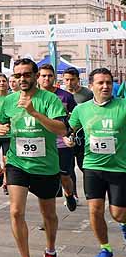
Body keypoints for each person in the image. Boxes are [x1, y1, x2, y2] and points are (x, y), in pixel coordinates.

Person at [0, 58, 69, 257]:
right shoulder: (9, 101)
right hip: (17, 163)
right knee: (15, 211)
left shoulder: (50, 99)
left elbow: (62, 129)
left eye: (26, 74)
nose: (22, 79)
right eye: (18, 75)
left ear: (35, 76)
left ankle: (50, 251)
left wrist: (34, 112)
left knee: (49, 215)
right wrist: (1, 127)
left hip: (45, 165)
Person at [66, 68, 126, 257]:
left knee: (117, 213)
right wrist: (69, 138)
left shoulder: (123, 106)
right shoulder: (81, 109)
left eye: (108, 82)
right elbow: (69, 129)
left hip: (119, 168)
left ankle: (124, 224)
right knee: (95, 210)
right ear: (91, 86)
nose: (105, 86)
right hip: (92, 166)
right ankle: (105, 249)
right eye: (100, 83)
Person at [38, 63, 80, 212]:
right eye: (43, 76)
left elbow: (76, 119)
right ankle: (48, 216)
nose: (46, 78)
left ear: (54, 77)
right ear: (38, 77)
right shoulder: (32, 97)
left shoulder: (66, 96)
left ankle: (69, 194)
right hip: (41, 144)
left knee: (64, 176)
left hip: (61, 143)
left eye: (50, 76)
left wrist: (71, 135)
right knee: (46, 181)